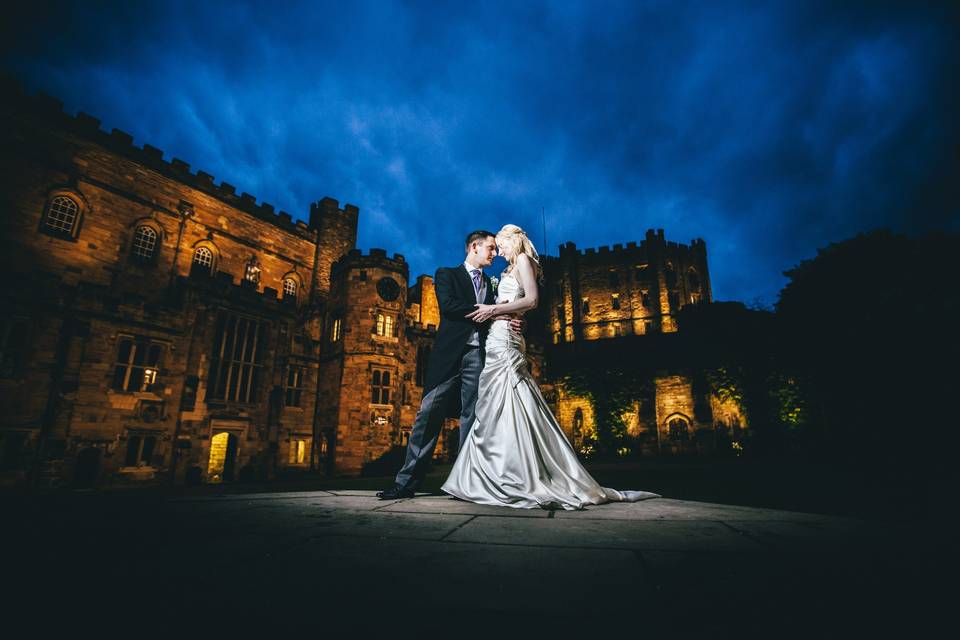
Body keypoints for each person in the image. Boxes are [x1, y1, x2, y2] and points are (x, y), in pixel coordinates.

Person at [441, 224, 660, 510]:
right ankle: (495, 471)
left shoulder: (521, 260)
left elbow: (531, 300)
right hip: (497, 339)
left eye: (500, 246)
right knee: (497, 405)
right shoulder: (508, 270)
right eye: (493, 248)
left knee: (507, 401)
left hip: (505, 340)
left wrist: (494, 310)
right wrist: (509, 314)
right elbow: (517, 305)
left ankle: (512, 474)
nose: (498, 252)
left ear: (512, 241)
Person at [376, 230, 522, 500]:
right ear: (474, 247)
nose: (493, 254)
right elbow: (449, 306)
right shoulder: (447, 274)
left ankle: (465, 483)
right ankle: (406, 482)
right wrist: (489, 312)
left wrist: (506, 317)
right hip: (449, 355)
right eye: (490, 248)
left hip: (479, 356)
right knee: (428, 414)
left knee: (472, 418)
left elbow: (497, 310)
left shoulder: (491, 283)